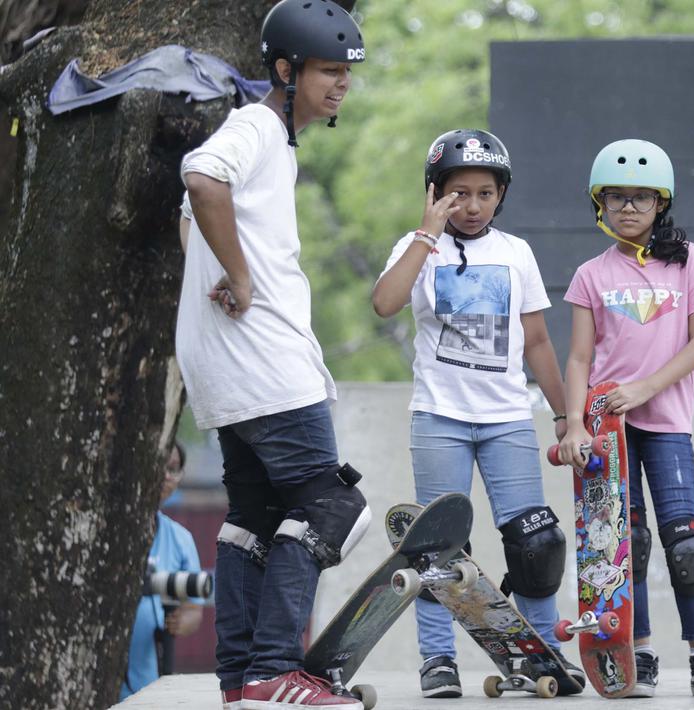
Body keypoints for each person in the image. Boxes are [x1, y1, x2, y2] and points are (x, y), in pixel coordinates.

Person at [177, 2, 371, 708]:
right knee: (331, 507)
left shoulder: (273, 142)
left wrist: (219, 273)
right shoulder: (257, 126)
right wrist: (240, 276)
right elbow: (201, 180)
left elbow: (189, 219)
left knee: (254, 518)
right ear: (286, 70)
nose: (341, 83)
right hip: (264, 363)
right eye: (327, 70)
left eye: (346, 72)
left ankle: (241, 680)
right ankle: (273, 669)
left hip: (227, 364)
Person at [371, 128, 584, 698]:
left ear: (501, 195)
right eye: (458, 193)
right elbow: (385, 303)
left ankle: (543, 652)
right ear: (434, 191)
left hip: (507, 418)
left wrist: (566, 416)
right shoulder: (419, 247)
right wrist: (426, 233)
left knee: (535, 541)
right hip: (439, 418)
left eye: (485, 194)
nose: (471, 206)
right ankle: (438, 658)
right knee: (437, 547)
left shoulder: (515, 252)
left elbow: (537, 341)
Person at [556, 139, 694, 698]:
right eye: (616, 197)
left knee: (687, 544)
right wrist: (574, 424)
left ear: (661, 203)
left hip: (666, 422)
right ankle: (637, 654)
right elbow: (579, 359)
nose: (628, 208)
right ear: (600, 203)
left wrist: (645, 388)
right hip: (607, 430)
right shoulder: (591, 274)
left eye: (641, 197)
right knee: (626, 542)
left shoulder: (689, 262)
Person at [121, 442, 204, 700]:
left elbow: (194, 611)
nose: (166, 475)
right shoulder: (109, 532)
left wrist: (180, 623)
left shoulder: (181, 539)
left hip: (148, 680)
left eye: (174, 469)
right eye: (161, 465)